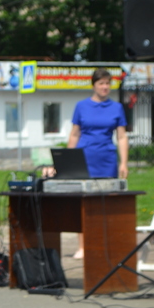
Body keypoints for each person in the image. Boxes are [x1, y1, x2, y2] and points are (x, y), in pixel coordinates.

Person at [67, 68, 129, 259]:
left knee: (107, 202)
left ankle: (107, 242)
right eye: (101, 83)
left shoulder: (116, 108)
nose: (105, 87)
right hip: (84, 159)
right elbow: (75, 134)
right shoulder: (81, 106)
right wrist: (69, 161)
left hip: (107, 159)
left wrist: (123, 163)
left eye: (107, 83)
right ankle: (83, 246)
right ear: (93, 85)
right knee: (84, 202)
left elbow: (121, 136)